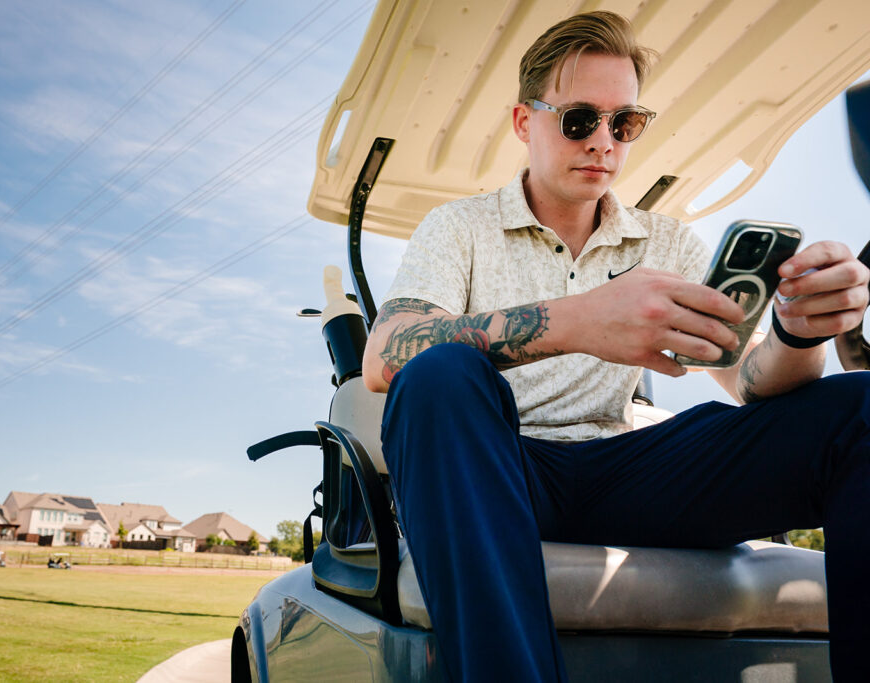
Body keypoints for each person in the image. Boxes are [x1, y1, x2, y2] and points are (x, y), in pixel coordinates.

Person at [362, 11, 870, 682]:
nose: (604, 141)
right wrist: (579, 320)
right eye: (579, 120)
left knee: (860, 405)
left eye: (624, 124)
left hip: (632, 472)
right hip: (504, 467)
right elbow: (387, 354)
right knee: (438, 374)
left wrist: (798, 331)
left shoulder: (667, 242)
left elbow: (750, 382)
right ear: (524, 123)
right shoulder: (459, 228)